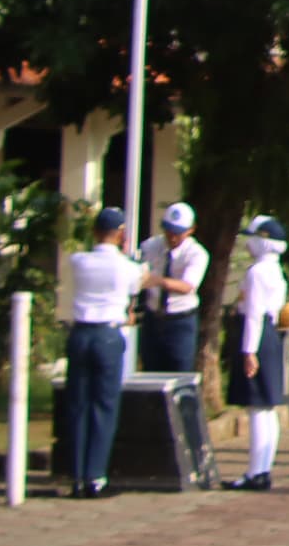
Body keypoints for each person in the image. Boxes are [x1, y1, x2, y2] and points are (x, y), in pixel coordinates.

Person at [58, 205, 139, 499]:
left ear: (94, 232)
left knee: (78, 404)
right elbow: (134, 289)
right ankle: (96, 475)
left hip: (80, 333)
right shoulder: (127, 266)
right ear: (121, 235)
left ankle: (77, 475)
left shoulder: (79, 261)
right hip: (107, 333)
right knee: (104, 405)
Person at [221, 215, 289, 491]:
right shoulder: (275, 270)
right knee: (267, 407)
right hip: (271, 335)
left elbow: (253, 315)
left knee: (257, 408)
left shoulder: (257, 272)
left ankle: (255, 472)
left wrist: (248, 351)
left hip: (258, 335)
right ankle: (262, 469)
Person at [140, 202, 207, 374]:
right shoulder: (150, 247)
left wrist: (158, 281)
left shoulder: (196, 253)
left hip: (180, 320)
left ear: (190, 229)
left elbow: (187, 286)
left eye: (178, 233)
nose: (172, 237)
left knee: (180, 371)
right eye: (168, 231)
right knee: (151, 371)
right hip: (153, 317)